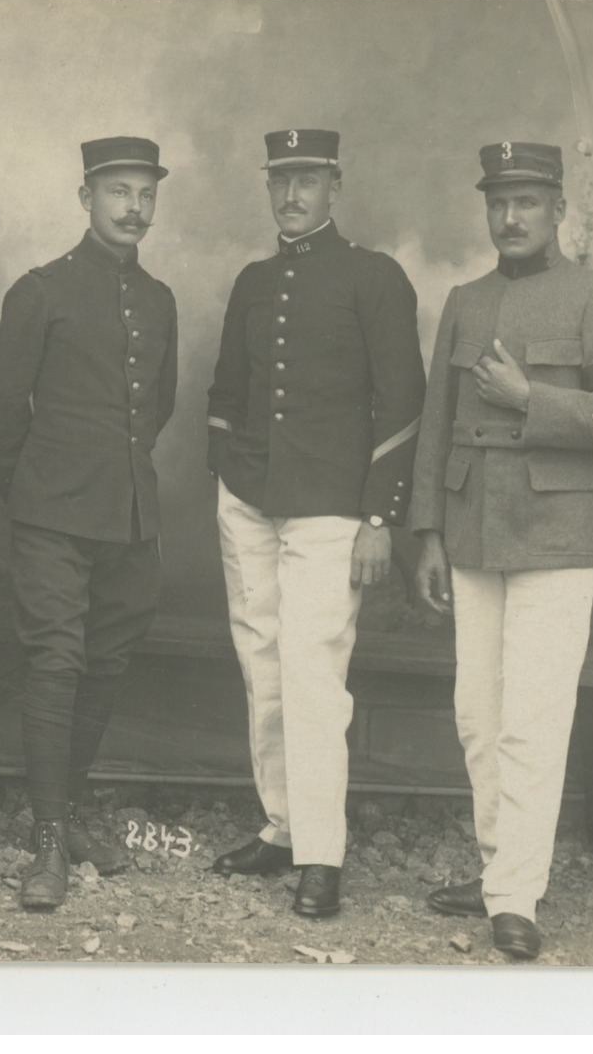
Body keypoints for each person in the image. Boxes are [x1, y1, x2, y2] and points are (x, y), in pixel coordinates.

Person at [409, 142, 593, 960]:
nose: (509, 218)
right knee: (477, 716)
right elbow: (436, 425)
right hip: (473, 527)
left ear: (558, 211)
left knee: (532, 721)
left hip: (556, 533)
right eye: (498, 203)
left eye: (526, 203)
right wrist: (428, 533)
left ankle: (516, 895)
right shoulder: (464, 300)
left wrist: (530, 399)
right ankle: (494, 873)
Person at [205, 129, 425, 918]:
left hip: (334, 506)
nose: (291, 195)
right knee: (260, 664)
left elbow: (402, 404)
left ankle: (321, 856)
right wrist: (229, 478)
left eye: (306, 180)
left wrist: (379, 516)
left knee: (310, 673)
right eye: (280, 181)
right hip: (250, 500)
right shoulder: (253, 281)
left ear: (334, 184)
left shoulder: (373, 276)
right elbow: (226, 394)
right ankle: (281, 826)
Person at [0, 137, 177, 910]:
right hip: (51, 517)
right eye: (117, 192)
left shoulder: (157, 300)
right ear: (85, 196)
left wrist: (109, 483)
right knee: (55, 662)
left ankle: (63, 810)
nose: (132, 208)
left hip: (128, 518)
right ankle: (49, 839)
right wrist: (32, 492)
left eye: (144, 194)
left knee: (107, 662)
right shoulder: (41, 291)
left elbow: (157, 404)